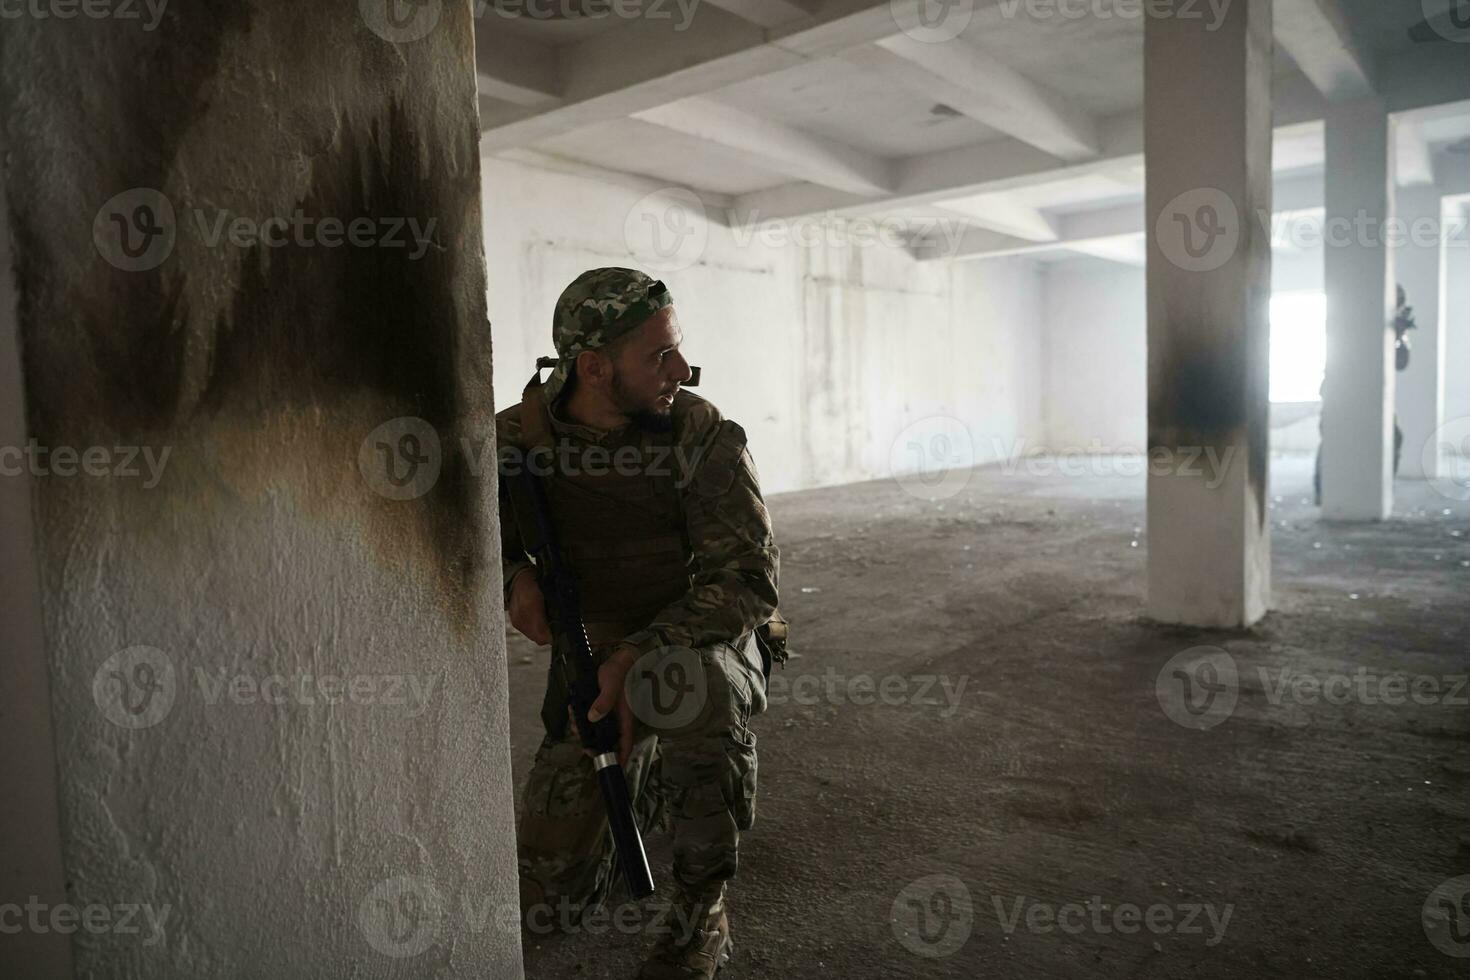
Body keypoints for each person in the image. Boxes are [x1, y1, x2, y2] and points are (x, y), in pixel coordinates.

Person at [496, 268, 783, 979]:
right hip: (590, 656)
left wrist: (639, 655)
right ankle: (649, 776)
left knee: (685, 685)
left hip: (697, 637)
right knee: (547, 901)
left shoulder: (699, 433)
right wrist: (510, 577)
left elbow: (747, 582)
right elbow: (469, 544)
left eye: (678, 351)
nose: (682, 371)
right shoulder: (514, 443)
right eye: (660, 356)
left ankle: (700, 912)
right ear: (593, 368)